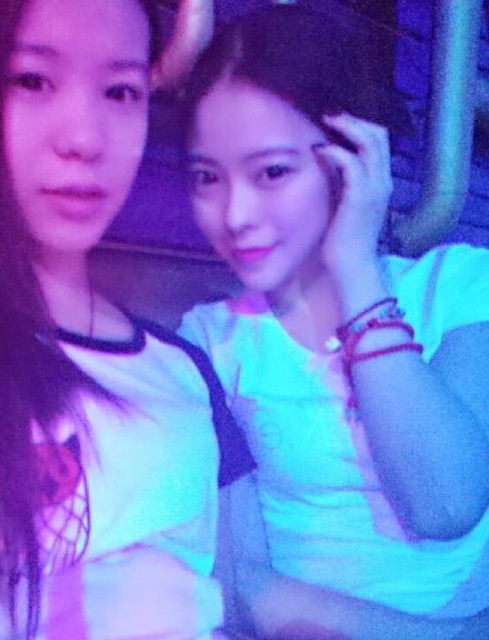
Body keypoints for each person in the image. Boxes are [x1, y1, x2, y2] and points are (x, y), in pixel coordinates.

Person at [0, 0, 254, 638]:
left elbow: (243, 593)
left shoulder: (184, 367)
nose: (86, 139)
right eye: (32, 80)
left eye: (121, 91)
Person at [177, 5, 489, 639]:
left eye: (271, 172)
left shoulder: (460, 286)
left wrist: (356, 271)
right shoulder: (212, 341)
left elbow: (445, 504)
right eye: (208, 177)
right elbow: (240, 588)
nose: (234, 215)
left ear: (354, 158)